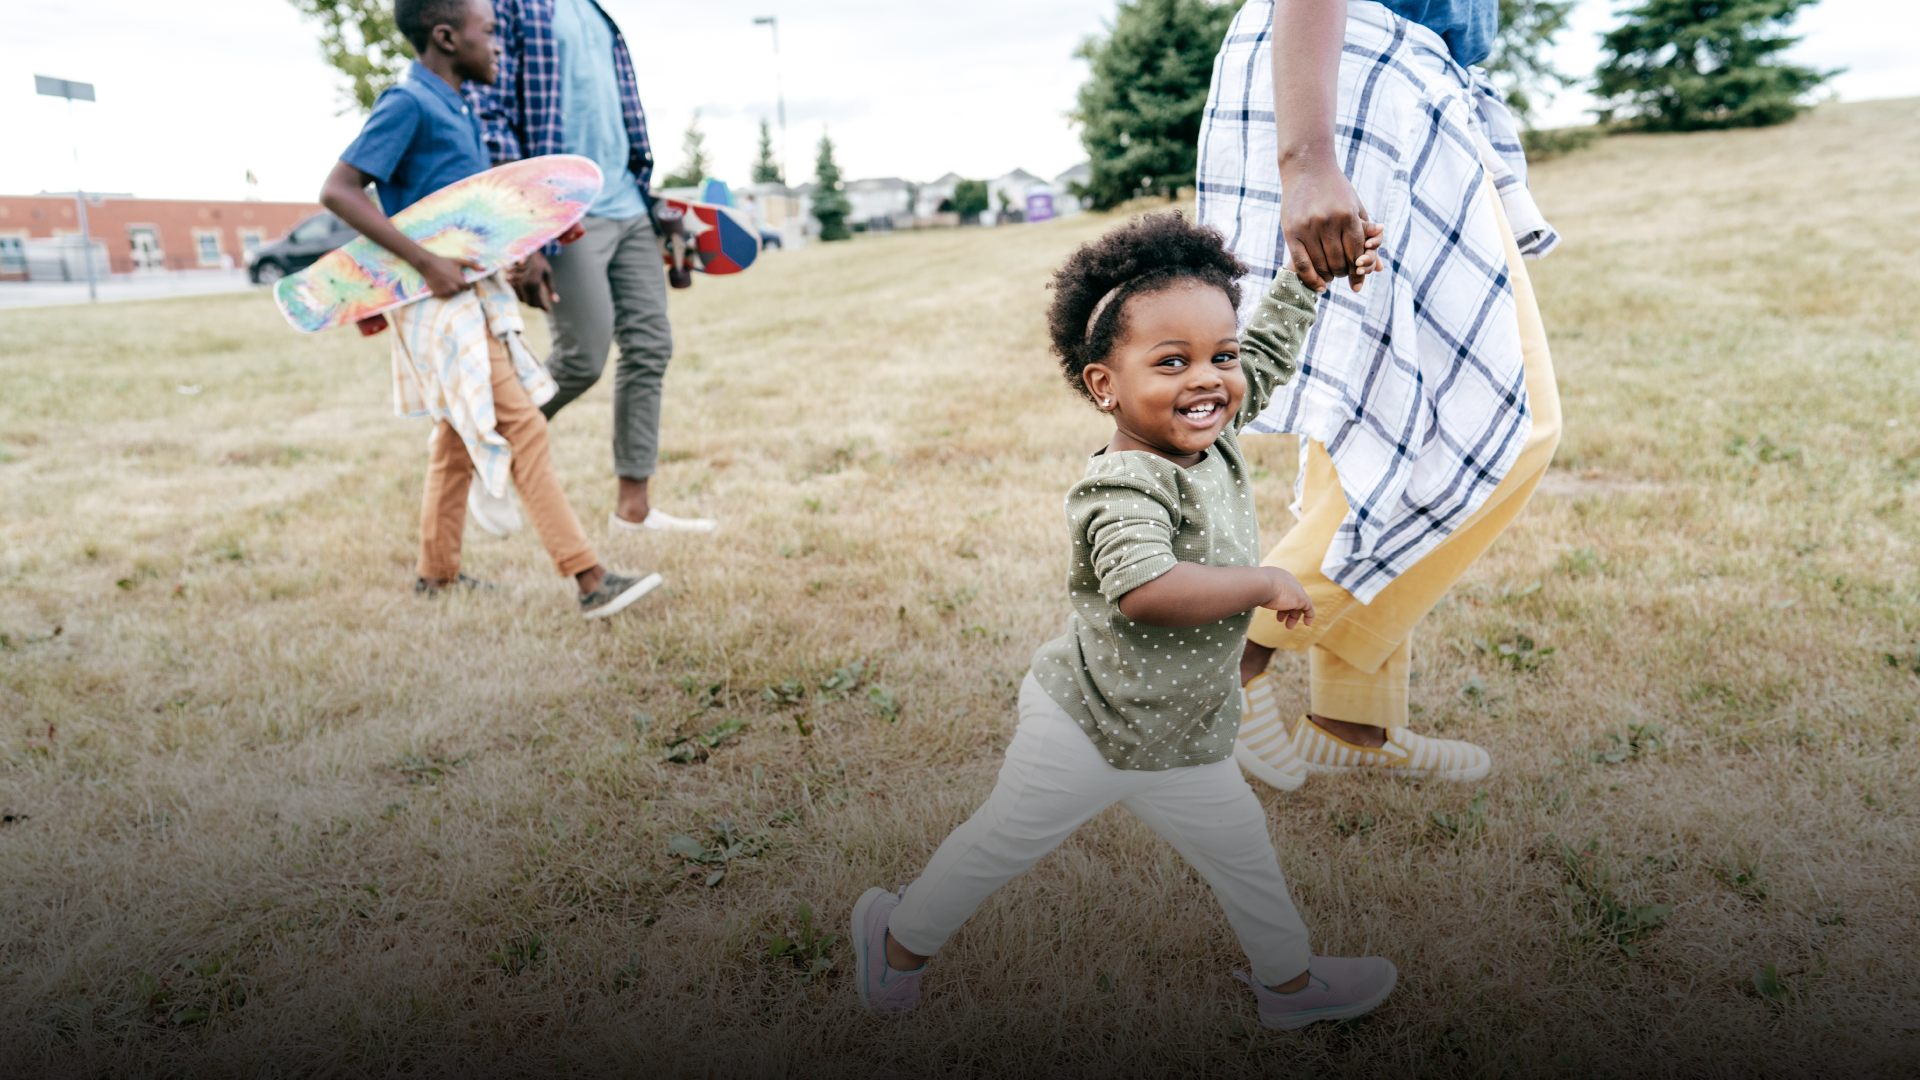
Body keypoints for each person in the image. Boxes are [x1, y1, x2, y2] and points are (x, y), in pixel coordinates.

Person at [851, 214, 1401, 1031]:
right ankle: (895, 941)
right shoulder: (1122, 488)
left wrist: (1309, 280)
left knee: (1244, 856)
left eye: (1221, 356)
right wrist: (1264, 579)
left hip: (1183, 731)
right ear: (1105, 384)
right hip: (1089, 725)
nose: (1207, 379)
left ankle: (1289, 988)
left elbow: (1272, 351)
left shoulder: (1211, 436)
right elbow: (1145, 587)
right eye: (1171, 362)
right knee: (1000, 845)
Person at [1195, 0, 1564, 789]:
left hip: (1390, 87)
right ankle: (1233, 650)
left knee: (1377, 417)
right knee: (1503, 422)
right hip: (1348, 88)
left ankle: (1351, 719)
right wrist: (1308, 161)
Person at [318, 0, 662, 620]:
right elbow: (339, 189)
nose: (500, 44)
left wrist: (526, 252)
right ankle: (588, 578)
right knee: (521, 423)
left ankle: (436, 574)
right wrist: (423, 262)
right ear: (447, 38)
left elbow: (470, 213)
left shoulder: (462, 106)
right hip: (435, 300)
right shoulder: (408, 103)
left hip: (475, 292)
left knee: (455, 434)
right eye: (490, 32)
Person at [469, 0, 716, 538]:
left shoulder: (599, 15)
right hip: (565, 211)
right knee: (582, 356)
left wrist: (654, 201)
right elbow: (490, 113)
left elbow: (618, 115)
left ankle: (634, 511)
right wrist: (523, 229)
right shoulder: (514, 8)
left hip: (629, 204)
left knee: (650, 346)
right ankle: (487, 454)